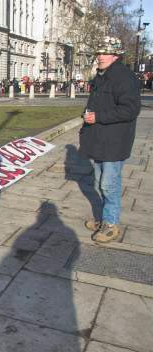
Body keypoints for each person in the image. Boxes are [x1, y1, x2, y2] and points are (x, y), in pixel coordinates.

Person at [80, 36, 141, 243]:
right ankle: (105, 217)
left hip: (115, 141)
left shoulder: (124, 77)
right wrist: (87, 115)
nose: (100, 57)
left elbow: (130, 109)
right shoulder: (101, 76)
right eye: (98, 53)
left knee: (109, 184)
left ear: (116, 55)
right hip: (99, 139)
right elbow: (97, 103)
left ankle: (111, 224)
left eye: (104, 53)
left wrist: (98, 116)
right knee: (98, 182)